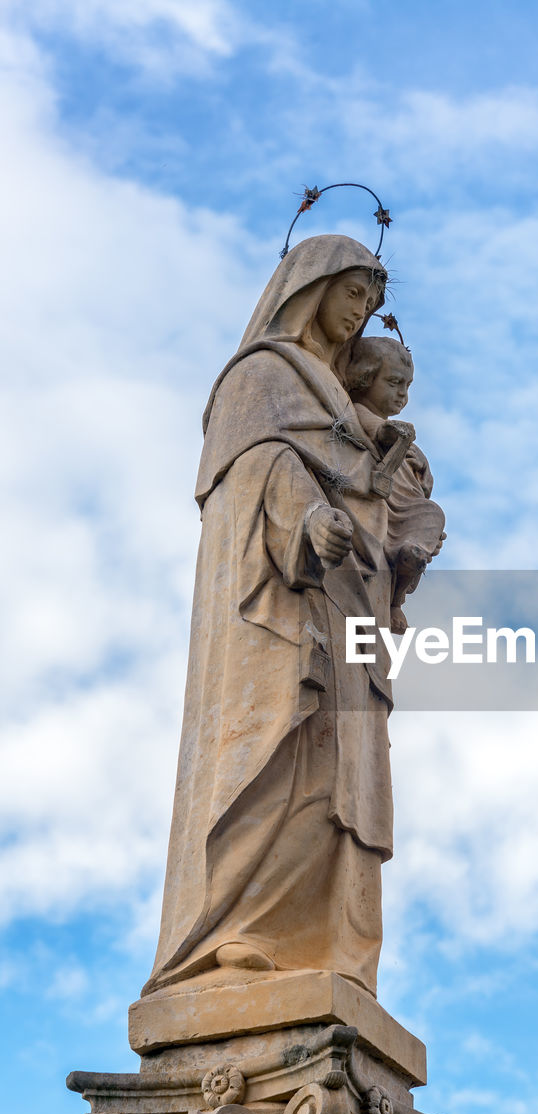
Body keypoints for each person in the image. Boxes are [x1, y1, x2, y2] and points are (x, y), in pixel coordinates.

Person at [143, 235, 418, 1001]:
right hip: (278, 607)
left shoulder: (346, 404)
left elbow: (374, 508)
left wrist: (396, 548)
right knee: (280, 752)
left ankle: (329, 939)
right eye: (351, 292)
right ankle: (237, 928)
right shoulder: (260, 378)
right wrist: (301, 521)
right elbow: (249, 477)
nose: (360, 310)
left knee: (338, 777)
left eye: (369, 299)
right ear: (312, 286)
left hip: (351, 612)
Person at [346, 336, 445, 631]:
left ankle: (397, 596)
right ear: (365, 377)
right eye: (393, 383)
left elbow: (422, 482)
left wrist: (422, 466)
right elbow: (379, 431)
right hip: (382, 504)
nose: (402, 394)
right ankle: (394, 598)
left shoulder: (404, 438)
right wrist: (392, 435)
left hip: (407, 504)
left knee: (432, 515)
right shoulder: (357, 412)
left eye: (407, 386)